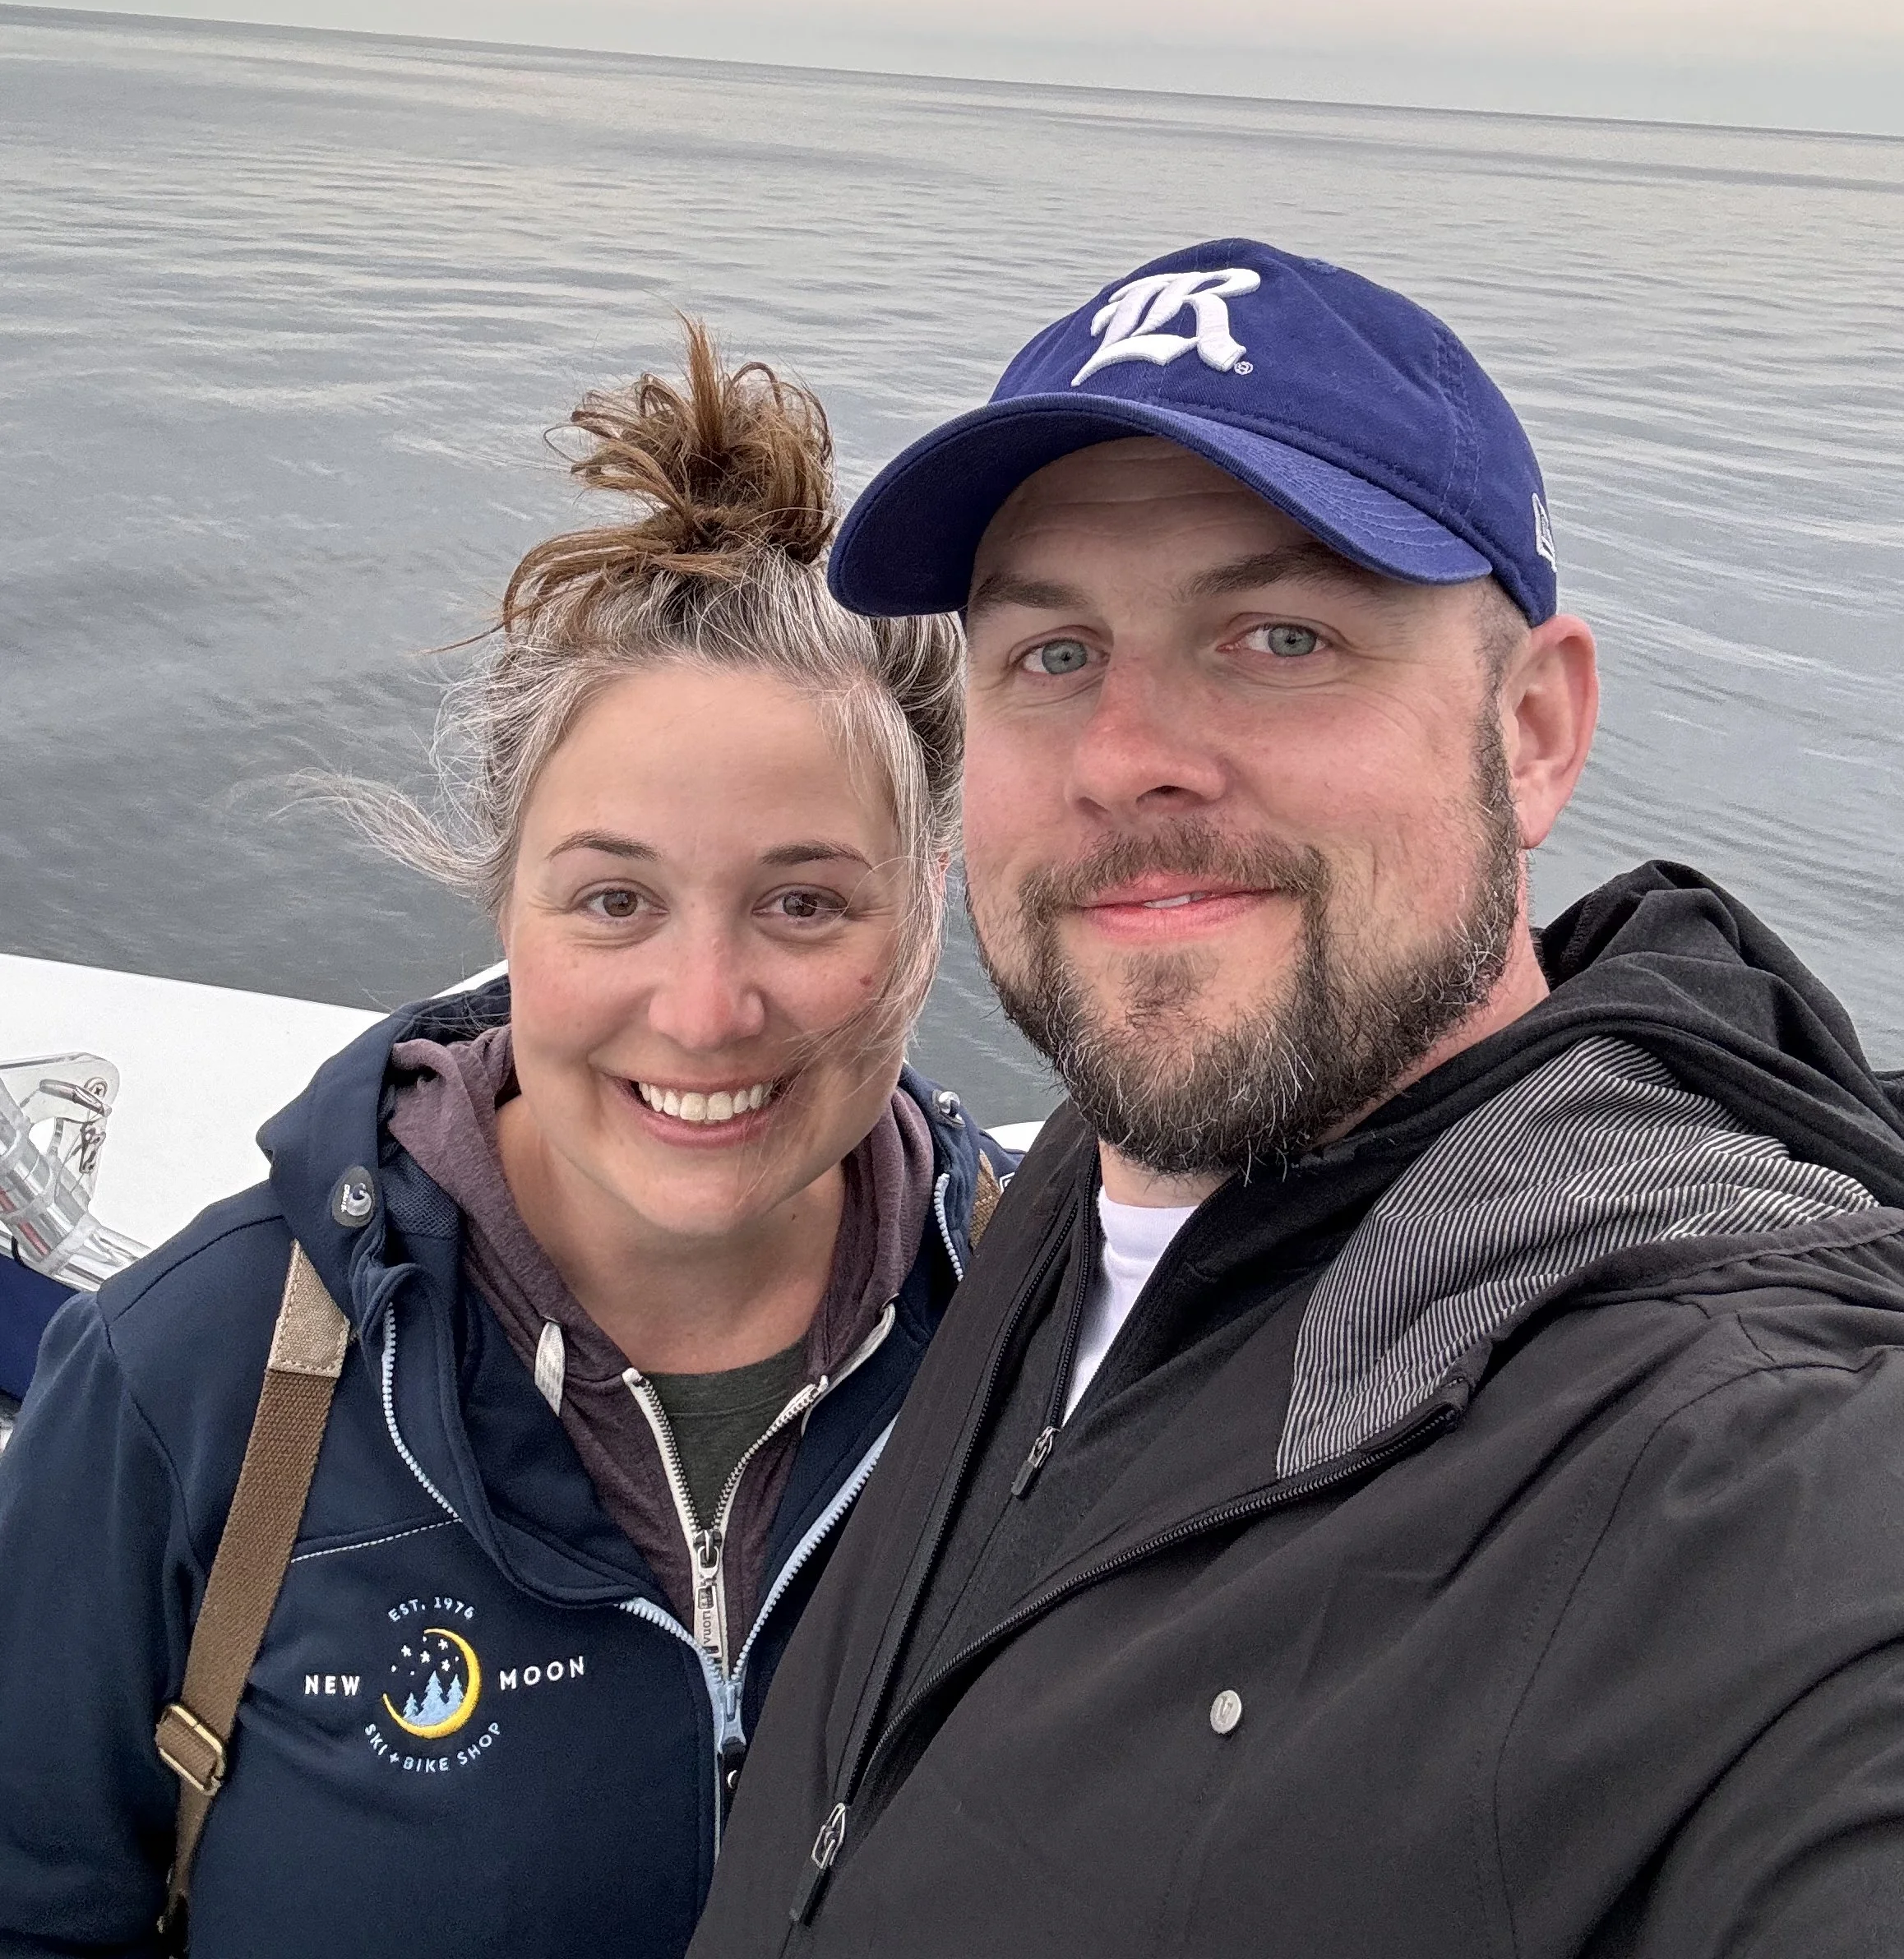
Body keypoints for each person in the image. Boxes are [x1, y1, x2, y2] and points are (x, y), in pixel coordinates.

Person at [692, 237, 1904, 1959]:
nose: (1131, 754)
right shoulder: (1102, 1178)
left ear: (1536, 729)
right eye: (1054, 653)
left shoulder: (1738, 1485)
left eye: (1280, 633)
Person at [0, 327, 1009, 1959]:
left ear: (930, 902)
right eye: (616, 897)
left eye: (805, 900)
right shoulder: (191, 1378)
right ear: (504, 895)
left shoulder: (1059, 1343)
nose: (702, 1007)